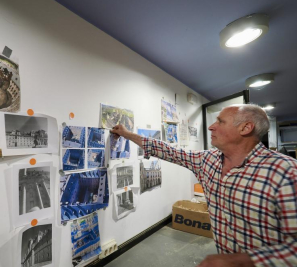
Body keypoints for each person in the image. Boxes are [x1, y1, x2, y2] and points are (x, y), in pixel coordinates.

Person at [111, 104, 297, 267]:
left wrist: (245, 261)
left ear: (246, 128)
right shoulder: (208, 160)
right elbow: (169, 151)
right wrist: (126, 134)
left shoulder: (284, 171)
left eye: (220, 122)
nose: (211, 126)